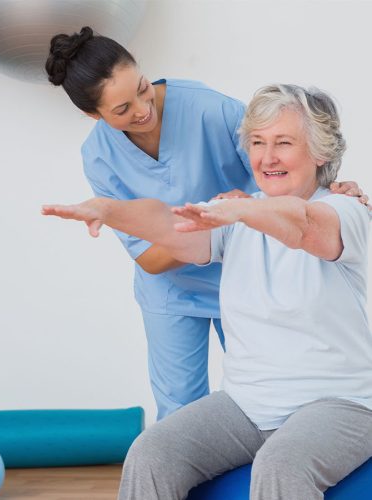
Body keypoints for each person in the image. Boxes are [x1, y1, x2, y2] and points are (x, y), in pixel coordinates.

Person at [42, 83, 372, 500]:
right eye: (257, 142)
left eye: (283, 143)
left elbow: (302, 224)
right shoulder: (237, 214)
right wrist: (109, 210)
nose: (267, 157)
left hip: (340, 404)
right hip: (247, 405)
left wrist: (241, 210)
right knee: (152, 451)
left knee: (280, 465)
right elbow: (169, 225)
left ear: (320, 152)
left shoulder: (346, 211)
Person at [45, 26, 365, 420]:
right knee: (180, 413)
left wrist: (332, 189)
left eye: (142, 88)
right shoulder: (98, 155)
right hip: (172, 290)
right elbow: (148, 257)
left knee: (273, 402)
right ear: (91, 114)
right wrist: (207, 227)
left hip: (252, 273)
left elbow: (285, 164)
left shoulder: (209, 110)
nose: (143, 109)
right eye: (122, 110)